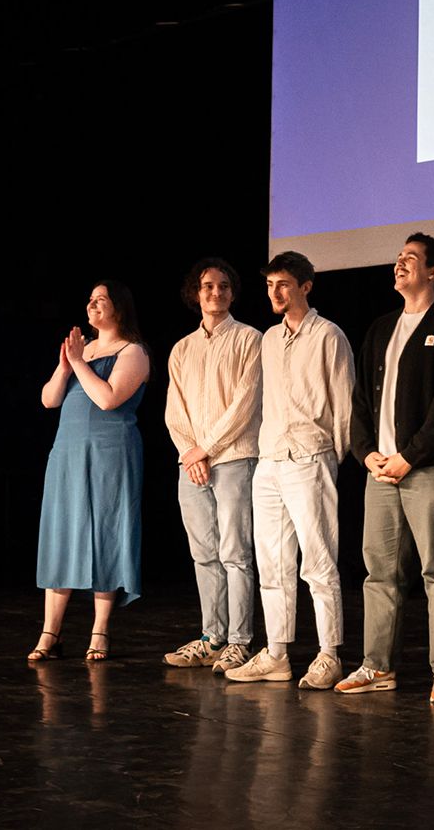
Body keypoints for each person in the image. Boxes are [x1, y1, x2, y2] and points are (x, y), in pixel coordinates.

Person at [338, 233, 434, 704]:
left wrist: (410, 456)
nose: (399, 264)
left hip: (430, 469)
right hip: (381, 470)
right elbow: (361, 400)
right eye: (398, 257)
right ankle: (377, 665)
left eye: (411, 259)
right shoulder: (382, 328)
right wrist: (366, 453)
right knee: (379, 573)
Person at [224, 252, 354, 689]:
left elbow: (344, 404)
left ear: (305, 286)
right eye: (269, 285)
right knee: (272, 563)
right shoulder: (269, 339)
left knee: (318, 560)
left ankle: (328, 653)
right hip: (270, 461)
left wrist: (329, 455)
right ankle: (277, 653)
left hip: (309, 457)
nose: (275, 292)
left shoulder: (328, 335)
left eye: (283, 284)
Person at [30, 280, 151, 662]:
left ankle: (100, 632)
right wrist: (66, 365)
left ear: (119, 307)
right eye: (90, 299)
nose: (92, 305)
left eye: (101, 299)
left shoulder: (133, 351)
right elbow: (49, 399)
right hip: (67, 452)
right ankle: (50, 633)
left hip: (110, 452)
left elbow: (108, 398)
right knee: (62, 533)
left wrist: (80, 363)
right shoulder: (82, 351)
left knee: (106, 533)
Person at [162, 259, 263, 675]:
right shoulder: (182, 348)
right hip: (192, 464)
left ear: (232, 293)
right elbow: (175, 410)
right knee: (204, 553)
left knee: (235, 552)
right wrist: (191, 452)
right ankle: (212, 637)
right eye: (208, 286)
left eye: (223, 286)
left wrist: (206, 449)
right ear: (196, 293)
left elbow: (245, 403)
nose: (216, 292)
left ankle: (239, 641)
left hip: (234, 457)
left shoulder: (249, 339)